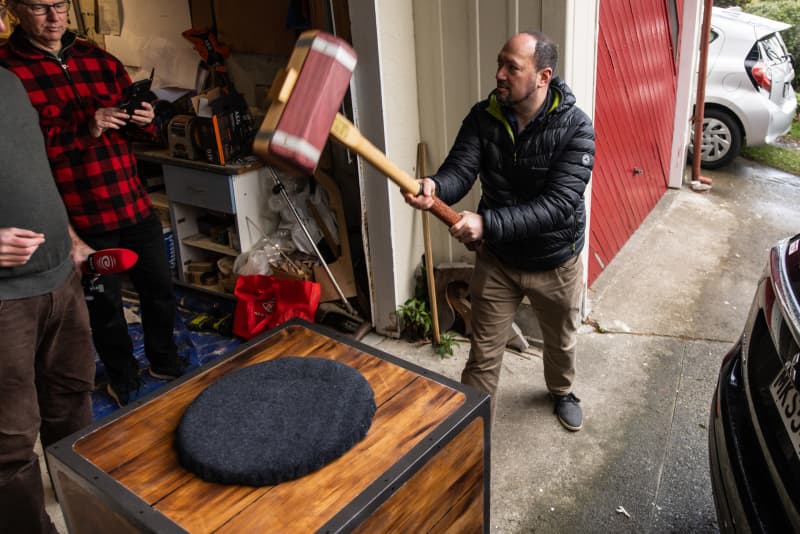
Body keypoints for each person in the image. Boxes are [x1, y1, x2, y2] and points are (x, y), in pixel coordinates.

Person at [405, 31, 595, 431]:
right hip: (499, 261)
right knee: (483, 353)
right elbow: (461, 169)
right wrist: (436, 187)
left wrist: (486, 223)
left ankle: (562, 391)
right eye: (500, 63)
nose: (500, 74)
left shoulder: (577, 129)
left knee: (560, 344)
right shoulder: (484, 116)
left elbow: (557, 207)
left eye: (513, 67)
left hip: (554, 262)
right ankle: (469, 428)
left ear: (543, 77)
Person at [0, 0, 186, 407]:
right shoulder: (8, 73)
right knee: (103, 306)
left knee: (159, 290)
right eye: (40, 7)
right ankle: (123, 377)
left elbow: (149, 130)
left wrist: (145, 119)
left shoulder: (99, 58)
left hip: (130, 203)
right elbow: (22, 154)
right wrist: (87, 128)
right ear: (14, 9)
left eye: (60, 4)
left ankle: (164, 360)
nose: (55, 17)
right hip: (80, 216)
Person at [0, 4, 96, 531]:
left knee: (71, 399)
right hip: (4, 298)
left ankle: (85, 509)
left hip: (60, 276)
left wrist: (72, 238)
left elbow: (36, 174)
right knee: (11, 443)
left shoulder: (9, 83)